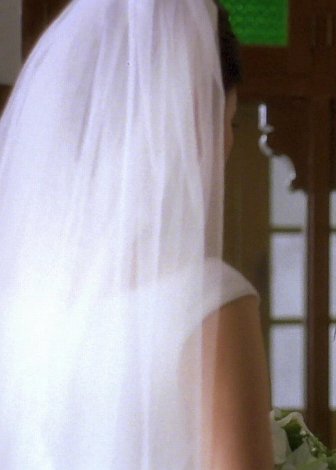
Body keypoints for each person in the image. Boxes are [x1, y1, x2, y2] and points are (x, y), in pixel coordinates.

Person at [0, 0, 272, 468]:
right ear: (195, 118)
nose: (227, 142)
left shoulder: (25, 298)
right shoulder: (210, 300)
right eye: (228, 121)